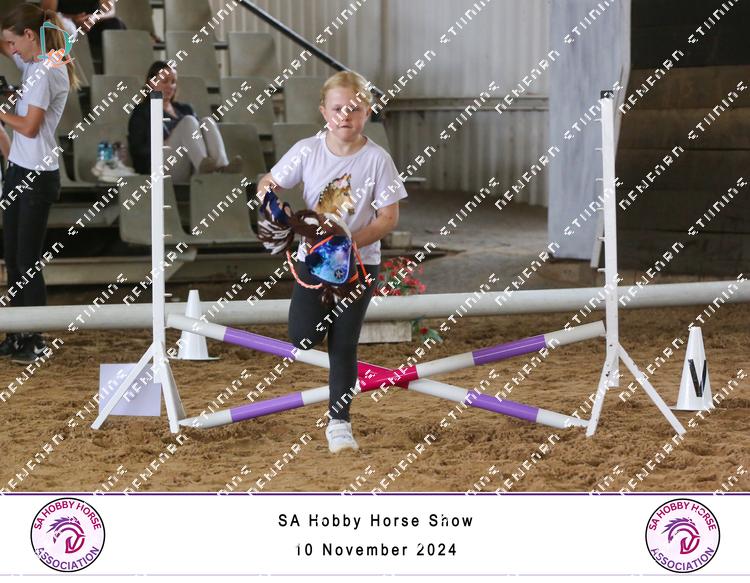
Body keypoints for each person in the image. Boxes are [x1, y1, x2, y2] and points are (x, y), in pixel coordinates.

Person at [256, 71, 407, 453]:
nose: (345, 116)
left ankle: (339, 423)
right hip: (312, 262)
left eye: (354, 109)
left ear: (367, 112)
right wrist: (271, 202)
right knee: (303, 338)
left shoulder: (378, 160)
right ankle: (320, 327)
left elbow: (388, 217)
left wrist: (346, 244)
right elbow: (268, 181)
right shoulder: (307, 150)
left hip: (360, 264)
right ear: (324, 111)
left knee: (344, 343)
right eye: (337, 108)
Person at [0, 3, 79, 363]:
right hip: (20, 168)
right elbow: (9, 47)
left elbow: (30, 128)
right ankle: (19, 332)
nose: (11, 50)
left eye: (15, 42)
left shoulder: (46, 71)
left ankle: (33, 336)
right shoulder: (34, 63)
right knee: (14, 258)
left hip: (36, 174)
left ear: (30, 36)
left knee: (27, 260)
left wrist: (1, 112)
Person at [128, 61, 241, 184]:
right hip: (160, 166)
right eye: (165, 81)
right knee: (188, 121)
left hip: (189, 164)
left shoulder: (185, 109)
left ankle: (222, 168)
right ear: (152, 83)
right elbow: (137, 149)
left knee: (207, 121)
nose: (170, 86)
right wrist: (163, 144)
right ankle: (204, 168)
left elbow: (198, 138)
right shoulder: (142, 111)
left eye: (173, 82)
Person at [40, 0, 126, 68]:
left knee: (115, 24)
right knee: (65, 27)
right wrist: (74, 19)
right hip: (63, 21)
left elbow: (110, 11)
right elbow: (47, 12)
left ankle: (115, 71)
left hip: (92, 22)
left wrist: (94, 18)